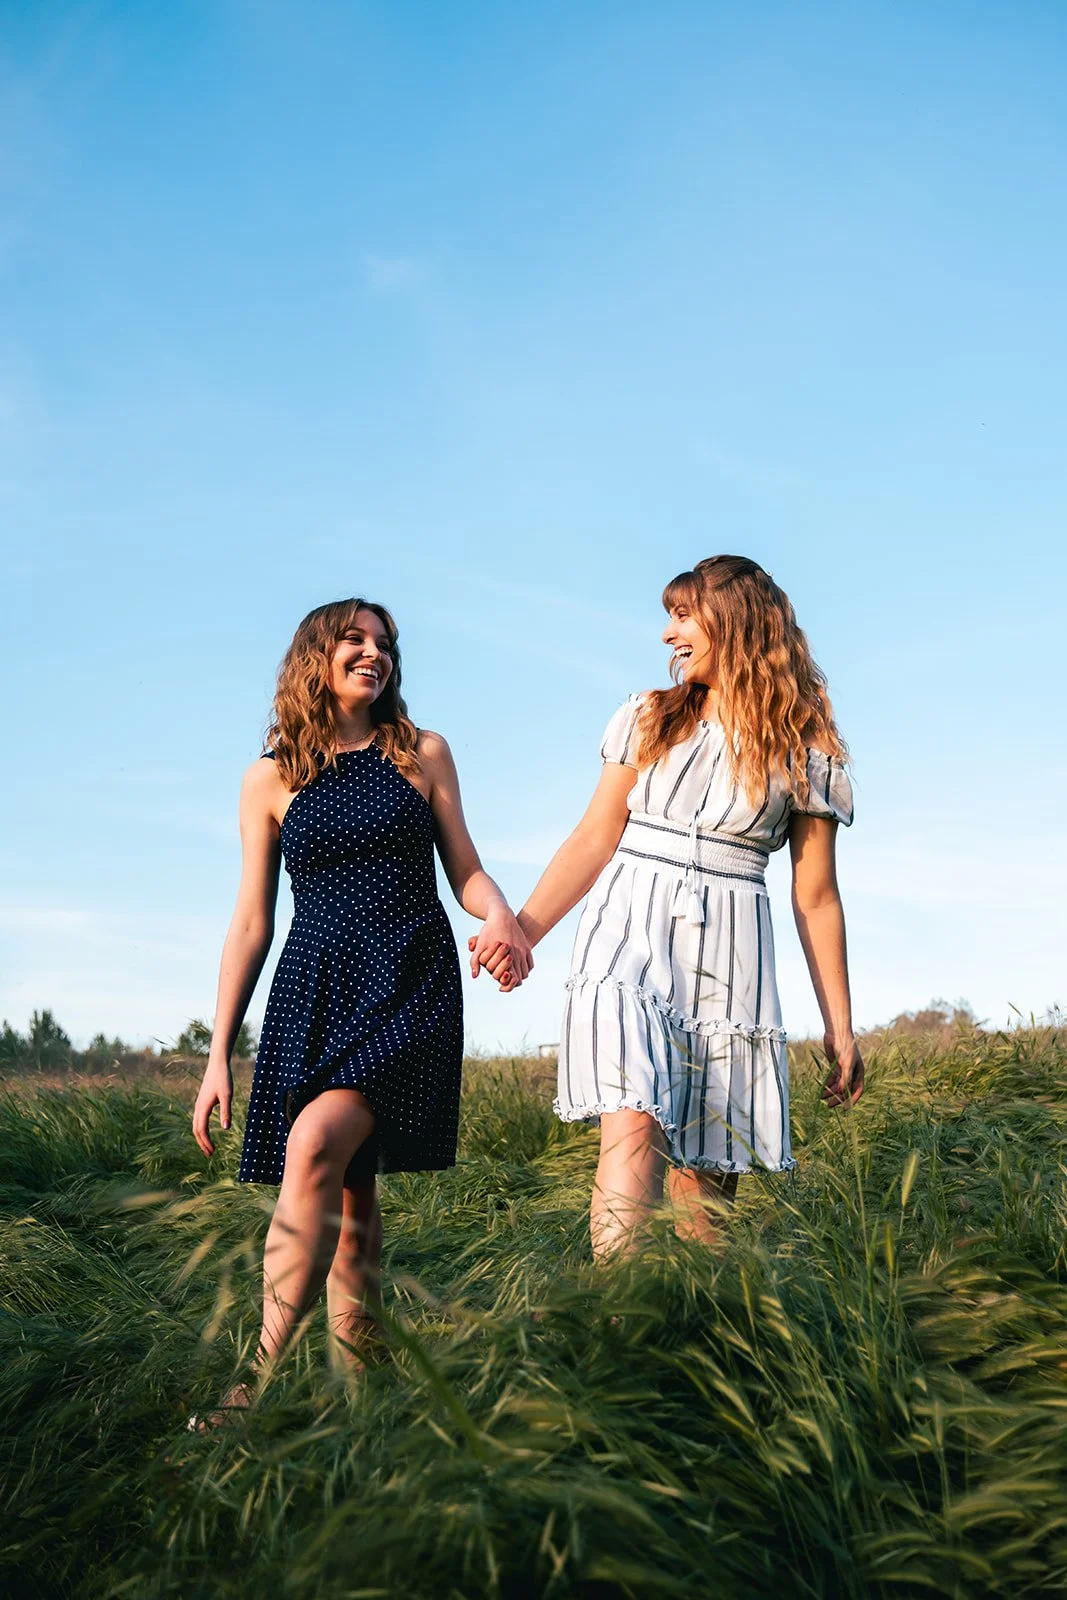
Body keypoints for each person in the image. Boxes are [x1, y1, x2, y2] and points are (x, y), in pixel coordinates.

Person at [192, 598, 530, 1416]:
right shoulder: (270, 778)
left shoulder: (421, 754)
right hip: (313, 991)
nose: (373, 655)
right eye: (355, 640)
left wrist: (501, 916)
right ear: (317, 655)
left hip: (408, 982)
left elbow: (466, 871)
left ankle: (255, 1386)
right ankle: (365, 1386)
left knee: (315, 1144)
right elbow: (250, 921)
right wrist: (216, 1055)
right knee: (351, 1191)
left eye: (383, 645)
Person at [477, 556, 862, 1259]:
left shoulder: (804, 750)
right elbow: (594, 837)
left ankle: (680, 1336)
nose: (666, 634)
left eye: (683, 615)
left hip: (732, 950)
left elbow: (815, 894)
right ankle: (612, 1324)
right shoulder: (646, 717)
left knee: (703, 1195)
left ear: (737, 622)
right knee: (631, 1119)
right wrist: (522, 931)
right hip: (628, 931)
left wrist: (839, 1027)